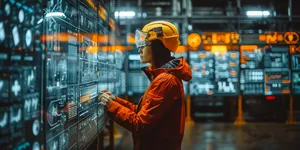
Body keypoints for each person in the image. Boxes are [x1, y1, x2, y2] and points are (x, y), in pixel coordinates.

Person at [99, 20, 192, 150]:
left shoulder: (165, 81)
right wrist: (116, 101)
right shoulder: (163, 77)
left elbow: (140, 124)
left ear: (158, 47)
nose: (140, 49)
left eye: (144, 44)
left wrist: (112, 106)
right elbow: (142, 112)